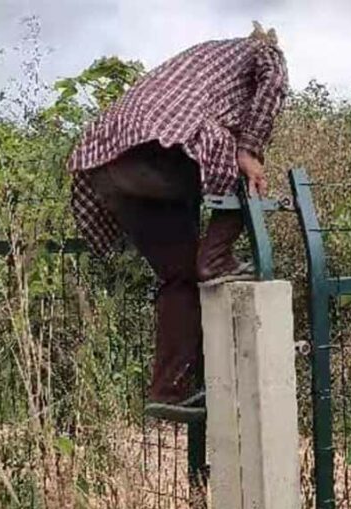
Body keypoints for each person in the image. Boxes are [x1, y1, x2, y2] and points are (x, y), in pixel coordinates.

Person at [67, 23, 288, 423]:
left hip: (106, 159)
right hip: (160, 146)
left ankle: (169, 390)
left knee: (179, 276)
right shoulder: (262, 52)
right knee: (242, 167)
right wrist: (251, 149)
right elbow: (272, 85)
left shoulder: (201, 56)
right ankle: (217, 257)